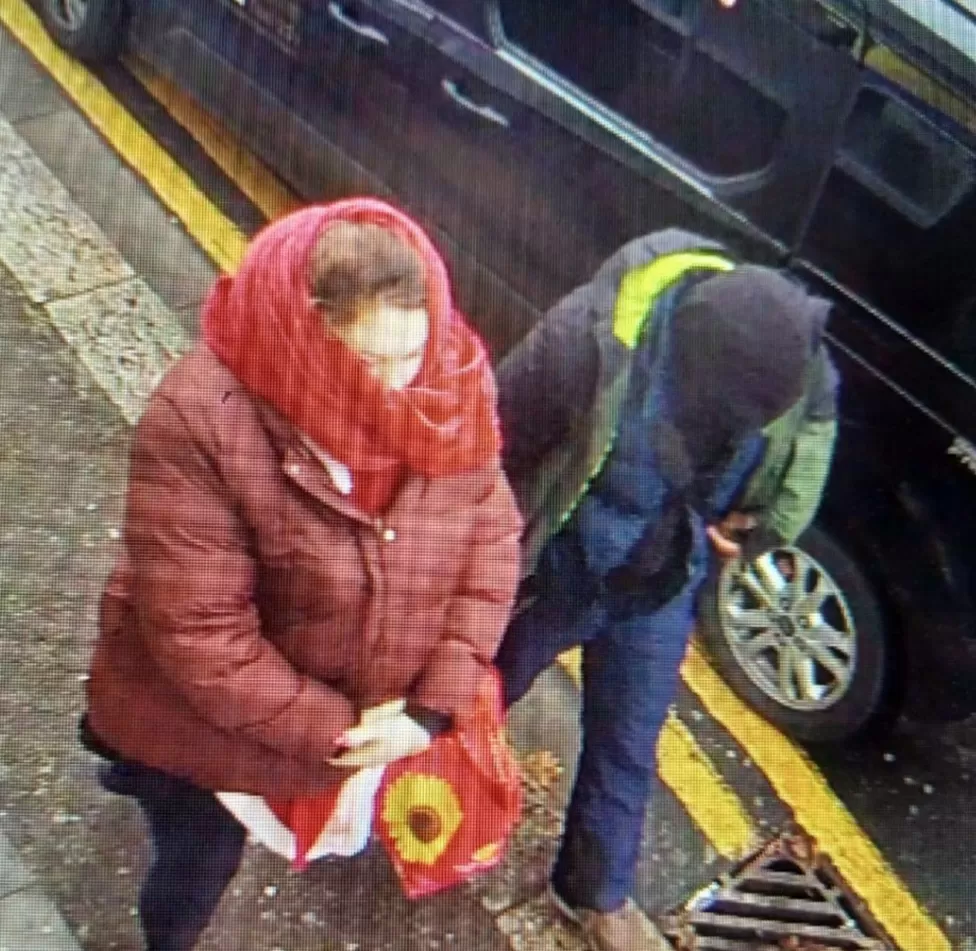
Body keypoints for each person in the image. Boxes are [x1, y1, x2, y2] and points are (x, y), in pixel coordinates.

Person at [79, 198, 522, 951]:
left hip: (348, 724)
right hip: (201, 729)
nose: (398, 389)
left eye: (411, 353)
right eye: (368, 361)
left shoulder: (451, 390)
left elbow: (493, 537)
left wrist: (429, 707)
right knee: (197, 864)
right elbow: (202, 635)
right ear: (303, 335)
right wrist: (346, 734)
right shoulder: (198, 420)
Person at [494, 228, 838, 951]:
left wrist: (758, 531)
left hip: (657, 585)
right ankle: (384, 797)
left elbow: (809, 437)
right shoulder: (585, 340)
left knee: (628, 742)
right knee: (474, 695)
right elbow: (494, 448)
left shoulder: (789, 364)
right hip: (561, 568)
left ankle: (593, 890)